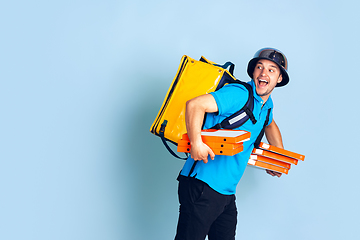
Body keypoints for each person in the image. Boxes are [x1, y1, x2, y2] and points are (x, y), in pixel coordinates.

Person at [174, 48, 290, 240]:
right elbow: (195, 105)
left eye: (271, 70)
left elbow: (270, 124)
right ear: (253, 72)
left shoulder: (266, 105)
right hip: (202, 186)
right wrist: (196, 143)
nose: (263, 73)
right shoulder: (238, 94)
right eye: (259, 67)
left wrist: (278, 160)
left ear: (279, 79)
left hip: (226, 193)